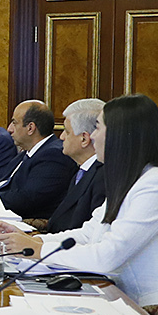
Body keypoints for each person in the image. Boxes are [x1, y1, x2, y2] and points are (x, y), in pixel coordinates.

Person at [0, 93, 158, 313]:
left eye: (98, 128)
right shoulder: (131, 178)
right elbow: (88, 233)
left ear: (121, 135)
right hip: (125, 300)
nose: (93, 136)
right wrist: (31, 241)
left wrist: (38, 249)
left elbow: (108, 256)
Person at [0, 100, 76, 220]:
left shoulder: (54, 155)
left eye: (14, 123)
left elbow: (27, 199)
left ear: (30, 128)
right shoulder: (24, 154)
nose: (9, 129)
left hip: (24, 221)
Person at [44, 98, 106, 234]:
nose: (61, 137)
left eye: (66, 131)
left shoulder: (102, 178)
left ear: (84, 139)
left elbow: (87, 233)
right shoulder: (82, 170)